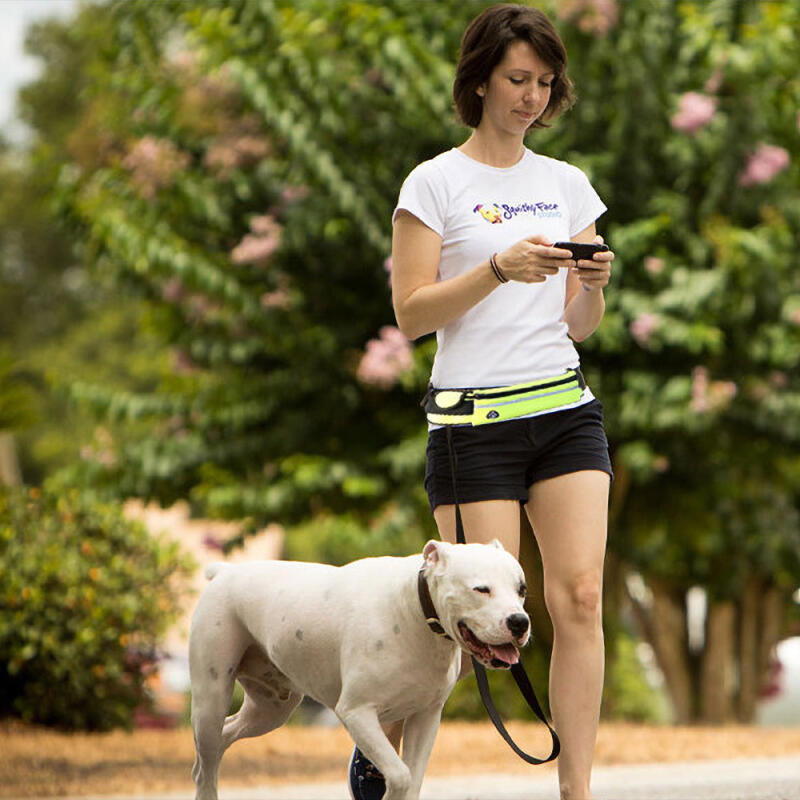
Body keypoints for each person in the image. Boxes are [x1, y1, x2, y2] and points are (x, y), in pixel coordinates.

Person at [349, 4, 614, 800]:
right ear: (480, 81)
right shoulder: (435, 182)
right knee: (458, 620)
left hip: (565, 413)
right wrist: (497, 268)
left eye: (544, 82)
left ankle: (577, 791)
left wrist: (593, 287)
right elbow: (412, 312)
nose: (532, 96)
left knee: (581, 598)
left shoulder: (566, 183)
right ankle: (380, 758)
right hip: (473, 428)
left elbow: (578, 325)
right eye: (516, 79)